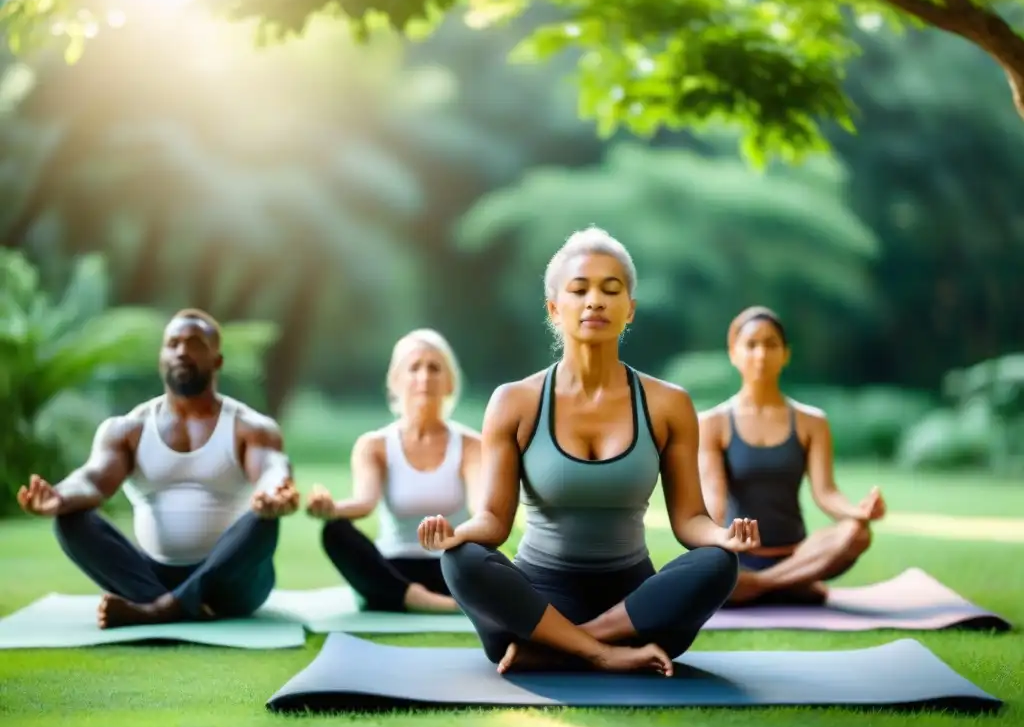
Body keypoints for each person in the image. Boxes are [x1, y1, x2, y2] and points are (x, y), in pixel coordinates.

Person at [418, 227, 761, 677]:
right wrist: (456, 534)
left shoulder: (668, 404)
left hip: (634, 606)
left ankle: (560, 649)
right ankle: (602, 652)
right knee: (462, 561)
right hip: (537, 601)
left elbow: (689, 520)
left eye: (610, 289)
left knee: (718, 564)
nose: (595, 300)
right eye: (579, 290)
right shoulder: (515, 402)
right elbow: (494, 522)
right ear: (555, 309)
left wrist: (723, 537)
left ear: (630, 310)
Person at [16, 308, 299, 629]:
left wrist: (276, 491)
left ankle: (158, 610)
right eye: (173, 343)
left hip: (232, 583)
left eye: (194, 343)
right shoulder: (127, 429)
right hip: (151, 577)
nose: (181, 351)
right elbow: (93, 479)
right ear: (161, 357)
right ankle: (170, 604)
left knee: (264, 520)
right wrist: (60, 496)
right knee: (69, 519)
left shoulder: (251, 427)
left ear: (216, 360)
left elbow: (272, 468)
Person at [698, 305, 885, 607]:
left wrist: (858, 513)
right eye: (751, 345)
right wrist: (714, 545)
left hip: (799, 555)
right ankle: (791, 586)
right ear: (734, 353)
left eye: (771, 344)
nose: (761, 354)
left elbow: (826, 493)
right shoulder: (712, 423)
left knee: (858, 534)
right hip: (739, 557)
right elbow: (713, 499)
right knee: (703, 573)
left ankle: (757, 586)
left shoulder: (812, 422)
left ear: (785, 354)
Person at [305, 329, 481, 614]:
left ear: (450, 383)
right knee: (335, 532)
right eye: (414, 368)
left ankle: (403, 600)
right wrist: (331, 508)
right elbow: (364, 503)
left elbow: (482, 508)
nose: (424, 377)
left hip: (452, 566)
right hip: (394, 568)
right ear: (395, 382)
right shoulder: (374, 445)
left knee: (487, 552)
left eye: (434, 368)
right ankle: (424, 601)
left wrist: (457, 535)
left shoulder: (473, 446)